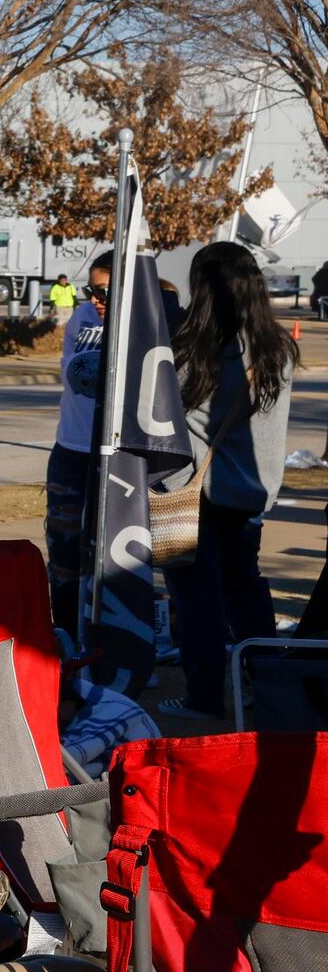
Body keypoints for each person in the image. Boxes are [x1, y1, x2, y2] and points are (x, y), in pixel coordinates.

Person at [161, 241, 300, 720]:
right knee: (245, 588)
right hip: (251, 490)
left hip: (193, 491)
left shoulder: (194, 348)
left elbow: (169, 414)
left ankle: (204, 698)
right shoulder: (276, 347)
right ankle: (267, 686)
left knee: (197, 597)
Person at [45, 251, 113, 638]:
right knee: (65, 551)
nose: (95, 300)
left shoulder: (142, 324)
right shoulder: (83, 316)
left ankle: (114, 644)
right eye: (90, 290)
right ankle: (66, 637)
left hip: (116, 453)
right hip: (71, 447)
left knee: (111, 557)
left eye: (104, 291)